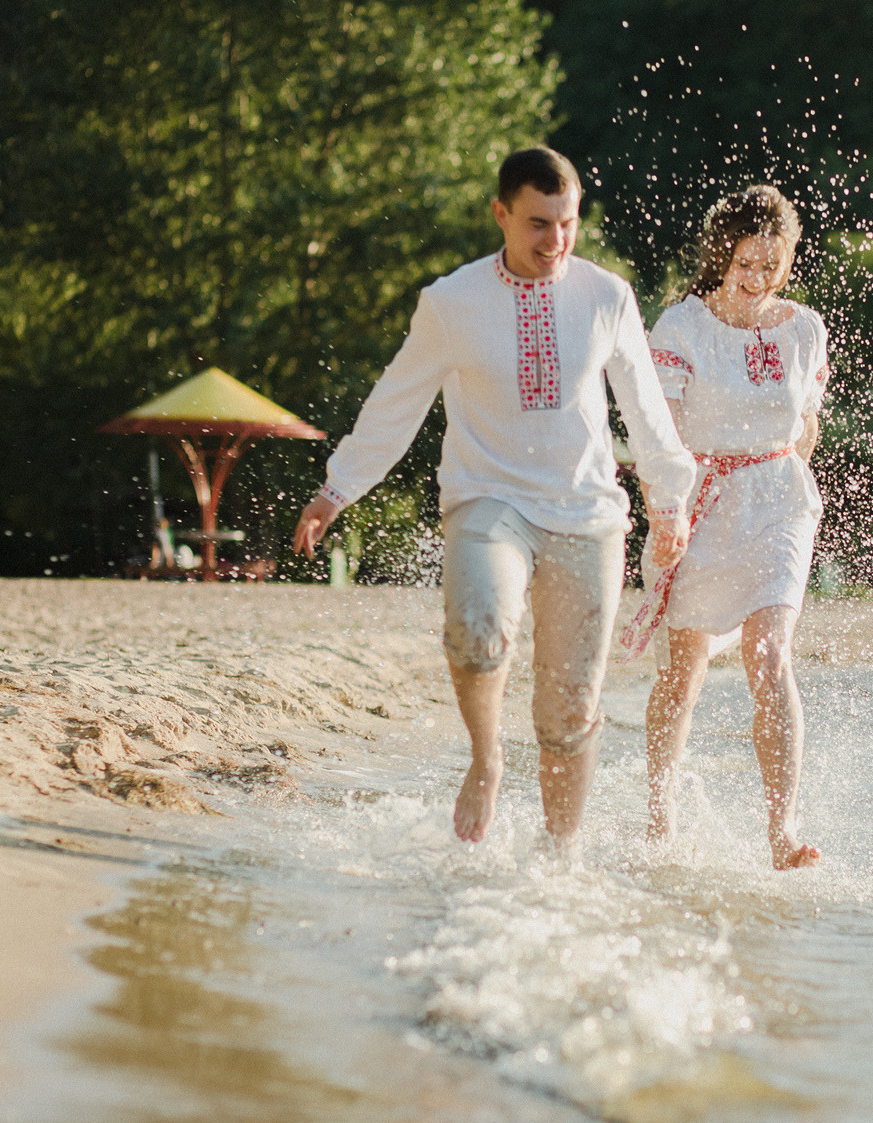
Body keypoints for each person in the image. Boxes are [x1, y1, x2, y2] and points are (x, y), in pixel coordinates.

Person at [293, 147, 696, 848]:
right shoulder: (451, 303)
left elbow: (647, 411)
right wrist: (337, 488)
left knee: (569, 715)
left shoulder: (607, 297)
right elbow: (398, 401)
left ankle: (558, 857)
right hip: (490, 500)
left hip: (587, 514)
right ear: (501, 214)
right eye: (539, 224)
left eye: (567, 223)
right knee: (479, 631)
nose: (556, 241)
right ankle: (486, 758)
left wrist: (670, 503)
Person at [615, 185, 829, 870]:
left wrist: (786, 469)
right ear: (721, 256)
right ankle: (659, 818)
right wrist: (666, 512)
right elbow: (659, 434)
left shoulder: (806, 330)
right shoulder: (681, 329)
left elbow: (806, 428)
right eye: (747, 264)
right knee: (682, 673)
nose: (760, 279)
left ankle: (782, 832)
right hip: (699, 502)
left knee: (769, 654)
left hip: (777, 500)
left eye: (774, 265)